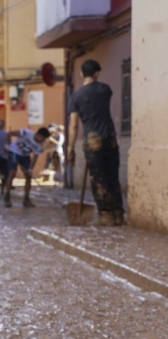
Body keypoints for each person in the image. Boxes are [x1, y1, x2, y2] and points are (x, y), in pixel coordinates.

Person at [67, 59, 125, 226]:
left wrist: (71, 148)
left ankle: (106, 215)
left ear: (81, 74)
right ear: (97, 73)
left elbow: (73, 125)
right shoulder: (105, 89)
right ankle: (119, 214)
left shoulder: (76, 96)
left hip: (92, 141)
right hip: (111, 139)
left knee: (99, 179)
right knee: (113, 177)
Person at [4, 127, 50, 208]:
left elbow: (35, 158)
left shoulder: (39, 146)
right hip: (14, 153)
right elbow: (10, 133)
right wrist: (7, 145)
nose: (43, 141)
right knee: (12, 173)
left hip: (25, 157)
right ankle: (7, 197)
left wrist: (30, 169)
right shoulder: (26, 133)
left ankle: (26, 199)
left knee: (28, 177)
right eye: (42, 138)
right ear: (38, 135)